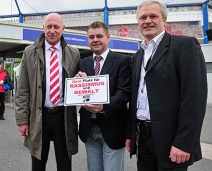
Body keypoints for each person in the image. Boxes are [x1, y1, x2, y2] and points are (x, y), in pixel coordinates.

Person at [125, 1, 207, 171]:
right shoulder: (138, 54)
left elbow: (194, 99)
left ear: (164, 20)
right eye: (143, 17)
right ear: (138, 22)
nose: (147, 21)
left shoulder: (185, 46)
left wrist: (184, 142)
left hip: (172, 140)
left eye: (153, 16)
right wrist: (130, 135)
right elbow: (135, 97)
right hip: (143, 136)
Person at [15, 13, 80, 171]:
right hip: (39, 116)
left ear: (63, 29)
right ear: (43, 28)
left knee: (64, 164)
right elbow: (23, 89)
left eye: (56, 27)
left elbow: (78, 85)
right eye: (49, 27)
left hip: (63, 117)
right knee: (38, 163)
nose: (52, 30)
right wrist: (22, 120)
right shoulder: (29, 53)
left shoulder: (74, 53)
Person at [75, 21, 132, 171]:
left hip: (113, 128)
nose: (95, 40)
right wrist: (77, 86)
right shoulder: (82, 63)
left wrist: (103, 107)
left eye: (99, 36)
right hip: (89, 129)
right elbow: (81, 93)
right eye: (91, 37)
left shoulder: (123, 61)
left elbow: (124, 93)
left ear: (108, 37)